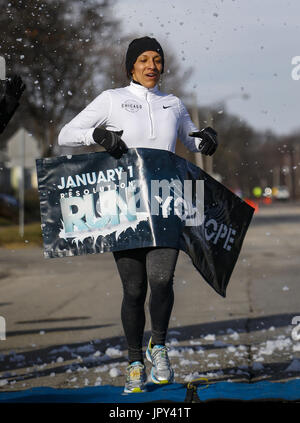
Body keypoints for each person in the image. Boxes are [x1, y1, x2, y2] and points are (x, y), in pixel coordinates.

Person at [58, 36, 218, 393]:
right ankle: (134, 362)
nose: (151, 66)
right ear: (131, 66)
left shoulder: (173, 104)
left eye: (157, 59)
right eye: (143, 59)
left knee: (162, 279)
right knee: (134, 289)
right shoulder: (112, 100)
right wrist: (97, 134)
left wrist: (206, 138)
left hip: (165, 202)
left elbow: (191, 141)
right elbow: (65, 133)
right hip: (124, 206)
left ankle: (157, 346)